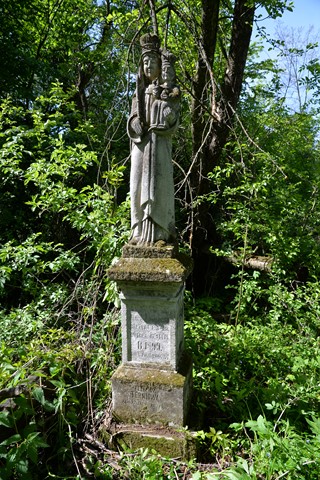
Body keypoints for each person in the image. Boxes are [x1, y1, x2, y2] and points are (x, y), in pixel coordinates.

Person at [127, 34, 180, 245]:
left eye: (153, 62)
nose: (149, 66)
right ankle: (138, 230)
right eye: (145, 62)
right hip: (141, 145)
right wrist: (134, 124)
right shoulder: (139, 92)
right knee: (137, 182)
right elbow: (132, 117)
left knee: (160, 184)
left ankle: (159, 231)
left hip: (160, 144)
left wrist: (168, 115)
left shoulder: (169, 92)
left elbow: (174, 118)